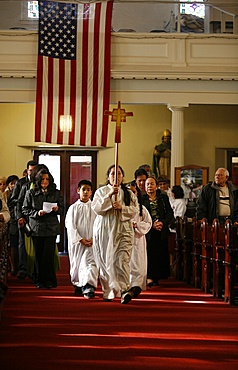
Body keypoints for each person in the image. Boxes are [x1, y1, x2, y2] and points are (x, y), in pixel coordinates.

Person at [92, 165, 138, 304]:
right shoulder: (101, 191)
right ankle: (108, 291)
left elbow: (134, 210)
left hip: (123, 229)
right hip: (105, 230)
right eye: (113, 174)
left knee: (122, 260)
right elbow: (97, 208)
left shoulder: (129, 193)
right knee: (105, 261)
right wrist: (110, 195)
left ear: (123, 177)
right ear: (108, 176)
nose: (115, 176)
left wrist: (122, 208)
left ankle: (124, 290)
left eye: (119, 174)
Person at [22, 168, 64, 289]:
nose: (45, 181)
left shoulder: (55, 192)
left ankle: (50, 280)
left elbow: (62, 208)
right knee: (39, 255)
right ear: (38, 180)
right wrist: (37, 213)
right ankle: (39, 280)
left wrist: (57, 209)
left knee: (49, 255)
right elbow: (25, 209)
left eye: (47, 179)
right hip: (37, 227)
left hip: (51, 227)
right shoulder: (31, 193)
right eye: (42, 179)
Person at [65, 180, 98, 299]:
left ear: (91, 192)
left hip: (92, 242)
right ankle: (78, 285)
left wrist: (94, 239)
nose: (86, 192)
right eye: (83, 189)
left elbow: (99, 225)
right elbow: (70, 226)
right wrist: (80, 239)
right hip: (78, 243)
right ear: (78, 191)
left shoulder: (95, 208)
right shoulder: (73, 208)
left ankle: (89, 286)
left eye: (88, 190)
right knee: (77, 264)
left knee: (90, 263)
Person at [8, 160, 37, 279]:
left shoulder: (40, 182)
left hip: (35, 218)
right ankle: (23, 268)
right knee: (22, 243)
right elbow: (13, 200)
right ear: (27, 171)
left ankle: (33, 269)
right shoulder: (21, 183)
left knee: (34, 244)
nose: (33, 173)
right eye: (31, 170)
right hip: (22, 218)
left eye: (35, 170)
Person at [143, 176, 174, 287]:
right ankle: (149, 276)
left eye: (152, 184)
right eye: (148, 184)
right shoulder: (142, 199)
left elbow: (170, 214)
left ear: (156, 186)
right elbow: (140, 216)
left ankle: (157, 276)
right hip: (147, 230)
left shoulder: (163, 198)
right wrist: (152, 225)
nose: (150, 186)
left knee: (159, 253)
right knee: (149, 253)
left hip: (161, 229)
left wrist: (162, 223)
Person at [127, 181, 152, 298]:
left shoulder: (141, 209)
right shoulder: (121, 209)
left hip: (137, 239)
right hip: (124, 240)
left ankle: (136, 286)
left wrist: (137, 225)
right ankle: (126, 287)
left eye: (133, 192)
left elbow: (148, 223)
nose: (131, 194)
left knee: (137, 262)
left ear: (137, 194)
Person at [6, 175, 19, 275]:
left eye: (15, 183)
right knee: (13, 244)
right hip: (12, 221)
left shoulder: (21, 193)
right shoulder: (8, 195)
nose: (14, 185)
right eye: (12, 184)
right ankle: (14, 267)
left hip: (20, 221)